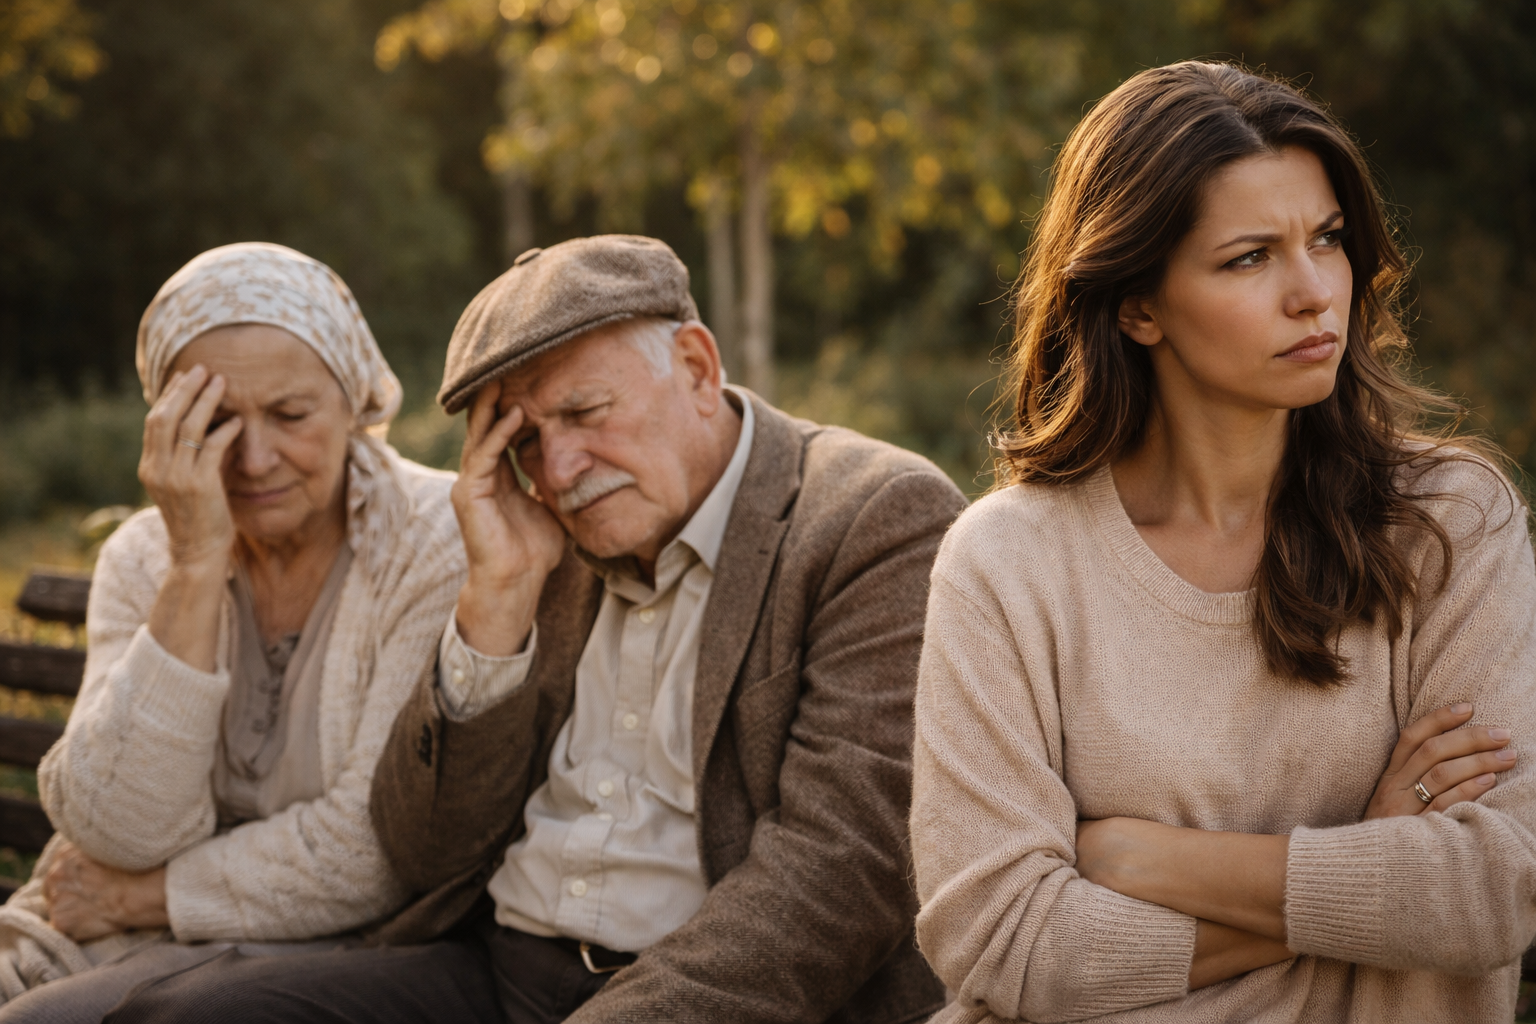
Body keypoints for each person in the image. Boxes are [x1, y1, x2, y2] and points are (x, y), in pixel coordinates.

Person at [103, 234, 967, 1024]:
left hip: (707, 996)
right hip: (498, 970)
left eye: (586, 412)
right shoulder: (542, 538)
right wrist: (496, 601)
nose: (558, 469)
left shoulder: (869, 518)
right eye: (524, 440)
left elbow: (840, 871)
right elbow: (426, 851)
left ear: (697, 369)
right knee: (179, 1019)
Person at [910, 62, 1536, 1023]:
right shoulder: (1010, 562)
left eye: (1327, 239)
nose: (1313, 293)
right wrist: (1363, 863)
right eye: (1249, 258)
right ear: (1139, 305)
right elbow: (1001, 939)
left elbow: (1496, 887)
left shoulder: (1448, 523)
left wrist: (1147, 859)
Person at [0, 243, 465, 1022]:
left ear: (355, 403)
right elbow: (118, 830)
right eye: (213, 421)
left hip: (327, 953)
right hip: (90, 934)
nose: (253, 459)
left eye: (290, 415)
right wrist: (194, 565)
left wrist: (143, 896)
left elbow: (372, 850)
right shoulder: (145, 556)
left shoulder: (432, 540)